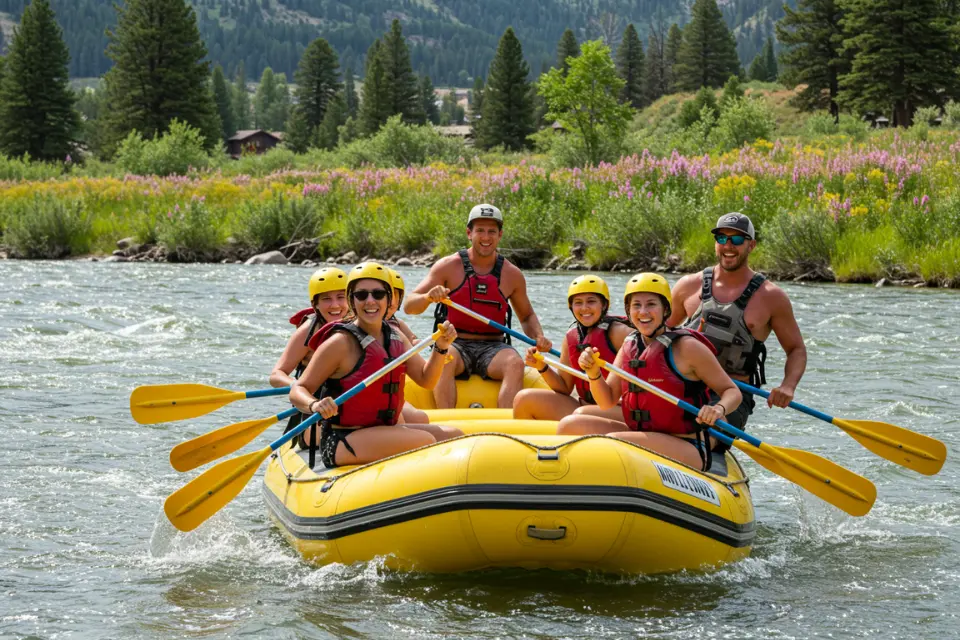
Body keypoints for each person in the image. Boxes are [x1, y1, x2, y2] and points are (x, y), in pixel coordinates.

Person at [557, 273, 742, 471]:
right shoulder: (630, 344)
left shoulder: (688, 347)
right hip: (645, 433)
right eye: (636, 305)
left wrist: (718, 409)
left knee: (611, 443)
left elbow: (732, 391)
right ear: (628, 311)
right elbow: (606, 400)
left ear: (666, 310)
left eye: (651, 304)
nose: (643, 312)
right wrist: (594, 373)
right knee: (569, 425)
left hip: (686, 445)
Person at [290, 262, 462, 468]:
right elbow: (299, 388)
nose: (370, 301)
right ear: (352, 301)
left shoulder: (397, 336)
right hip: (344, 438)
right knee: (425, 441)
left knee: (455, 435)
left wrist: (441, 348)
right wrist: (314, 405)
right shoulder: (339, 343)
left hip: (383, 430)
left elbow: (426, 380)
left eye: (378, 294)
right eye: (361, 295)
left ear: (389, 300)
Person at [403, 204, 551, 409]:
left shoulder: (512, 274)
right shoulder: (448, 266)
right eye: (480, 230)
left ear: (500, 235)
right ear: (469, 233)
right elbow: (410, 306)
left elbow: (526, 317)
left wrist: (539, 338)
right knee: (444, 360)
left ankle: (505, 427)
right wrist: (428, 297)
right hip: (455, 343)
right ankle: (447, 425)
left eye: (492, 231)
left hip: (495, 347)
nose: (486, 237)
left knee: (515, 363)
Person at [667, 212, 807, 428]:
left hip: (733, 397)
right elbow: (659, 332)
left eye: (737, 239)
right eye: (722, 238)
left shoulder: (772, 297)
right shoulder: (688, 286)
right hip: (683, 384)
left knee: (703, 427)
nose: (728, 245)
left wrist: (788, 386)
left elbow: (796, 349)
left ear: (751, 245)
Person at [513, 275, 632, 420]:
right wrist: (541, 366)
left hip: (618, 409)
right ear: (571, 307)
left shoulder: (620, 332)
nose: (584, 308)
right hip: (583, 406)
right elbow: (564, 387)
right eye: (578, 302)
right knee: (523, 399)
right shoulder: (572, 336)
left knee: (581, 415)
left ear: (604, 305)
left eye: (591, 301)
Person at [270, 267, 349, 389]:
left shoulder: (359, 323)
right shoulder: (308, 330)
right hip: (314, 401)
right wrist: (298, 386)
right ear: (315, 304)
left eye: (340, 297)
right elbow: (276, 376)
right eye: (326, 299)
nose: (335, 305)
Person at [386, 268, 429, 425]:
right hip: (379, 396)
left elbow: (413, 340)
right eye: (384, 294)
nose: (389, 301)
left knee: (421, 418)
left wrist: (417, 343)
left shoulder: (398, 325)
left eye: (394, 296)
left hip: (394, 392)